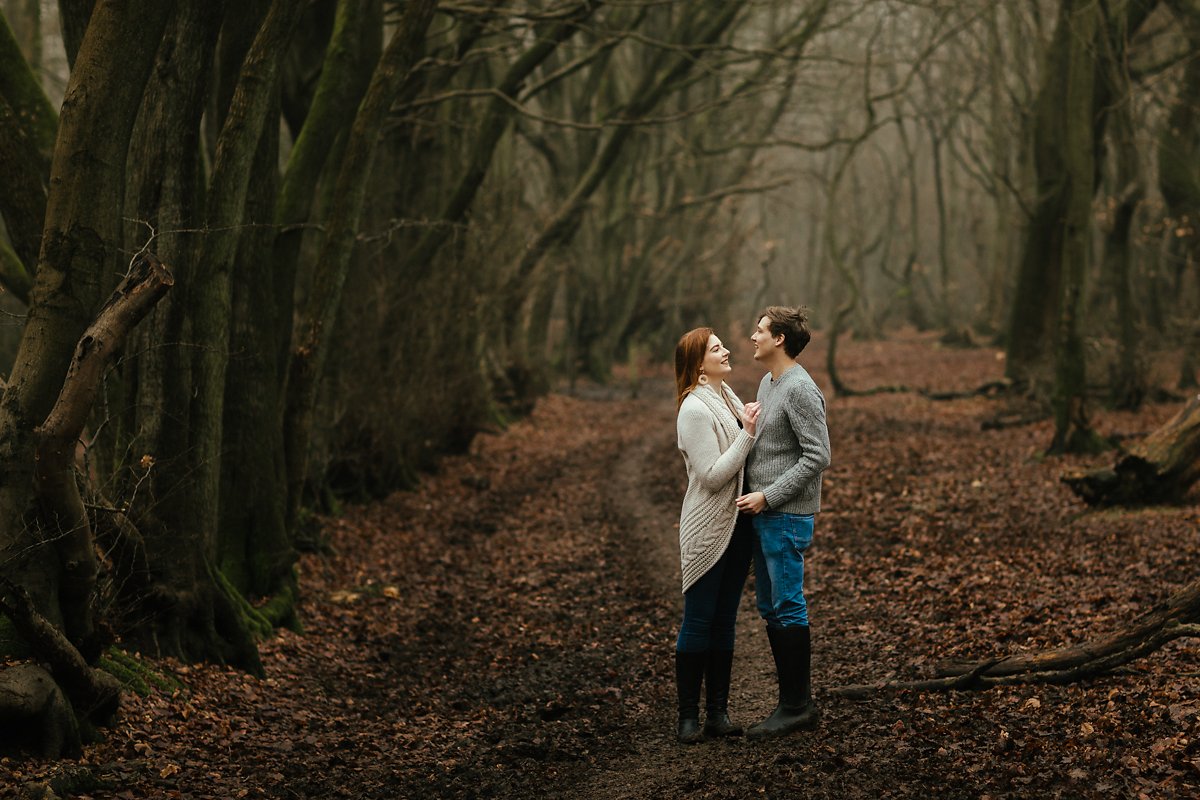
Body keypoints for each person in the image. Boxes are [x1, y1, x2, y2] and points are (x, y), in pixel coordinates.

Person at [735, 306, 831, 740]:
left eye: (759, 331)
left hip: (786, 516)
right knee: (770, 607)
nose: (752, 336)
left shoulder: (799, 389)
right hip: (765, 515)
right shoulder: (767, 383)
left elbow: (818, 455)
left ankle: (797, 707)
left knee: (787, 605)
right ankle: (791, 702)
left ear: (779, 339)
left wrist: (768, 495)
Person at [672, 327, 761, 744]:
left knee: (724, 621)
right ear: (698, 364)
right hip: (708, 527)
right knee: (700, 619)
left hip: (739, 522)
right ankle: (687, 718)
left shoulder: (725, 397)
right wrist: (746, 432)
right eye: (715, 348)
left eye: (722, 346)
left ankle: (718, 714)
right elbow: (710, 477)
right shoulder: (693, 409)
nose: (726, 351)